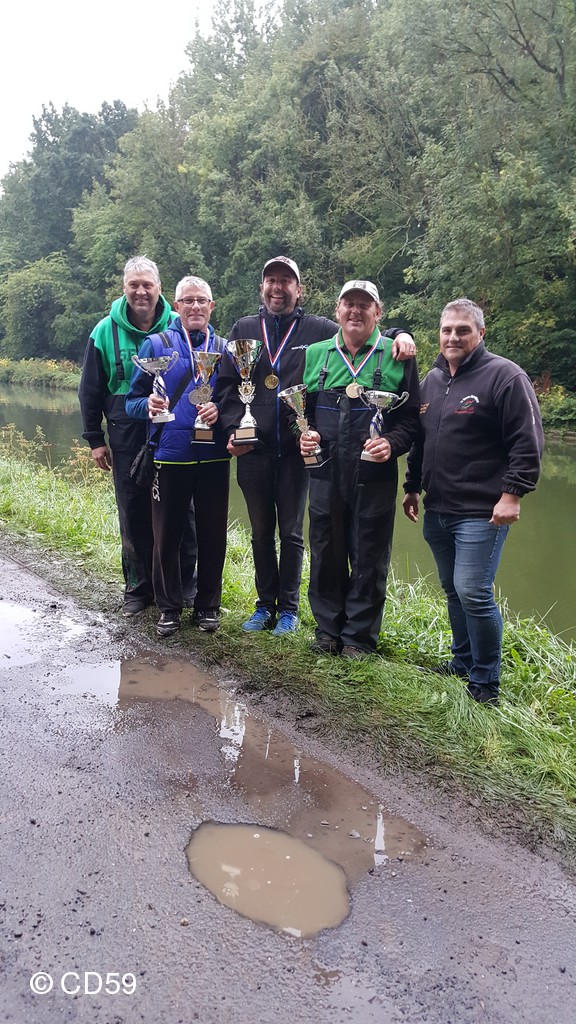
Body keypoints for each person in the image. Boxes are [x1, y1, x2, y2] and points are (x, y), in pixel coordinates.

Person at [215, 257, 417, 637]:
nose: (278, 287)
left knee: (293, 533)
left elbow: (360, 330)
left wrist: (400, 333)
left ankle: (289, 610)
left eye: (286, 281)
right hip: (253, 450)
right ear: (262, 287)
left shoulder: (318, 330)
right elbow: (226, 386)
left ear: (299, 289)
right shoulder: (243, 329)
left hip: (300, 455)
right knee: (261, 532)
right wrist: (231, 429)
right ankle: (265, 604)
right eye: (271, 280)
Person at [402, 298, 544, 706]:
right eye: (447, 330)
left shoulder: (505, 376)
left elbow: (528, 441)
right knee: (453, 590)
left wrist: (513, 494)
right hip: (437, 509)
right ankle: (462, 662)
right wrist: (412, 486)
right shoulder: (431, 381)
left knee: (473, 591)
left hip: (483, 512)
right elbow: (421, 441)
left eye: (463, 330)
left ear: (480, 333)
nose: (453, 337)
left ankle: (486, 682)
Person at [300, 280, 421, 659]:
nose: (355, 310)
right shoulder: (316, 354)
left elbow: (411, 421)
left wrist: (392, 443)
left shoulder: (398, 355)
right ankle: (328, 630)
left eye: (364, 304)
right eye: (348, 303)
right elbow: (298, 413)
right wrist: (302, 435)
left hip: (375, 473)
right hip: (325, 470)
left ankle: (358, 638)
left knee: (370, 554)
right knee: (325, 549)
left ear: (378, 312)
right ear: (337, 310)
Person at [79, 256, 197, 616]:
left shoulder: (180, 323)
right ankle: (138, 589)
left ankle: (184, 588)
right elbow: (90, 389)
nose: (141, 291)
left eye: (147, 284)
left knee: (182, 512)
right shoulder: (104, 331)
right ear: (124, 288)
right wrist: (94, 439)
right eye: (134, 284)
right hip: (125, 432)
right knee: (132, 513)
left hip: (174, 431)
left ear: (159, 288)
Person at [126, 275, 230, 638]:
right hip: (170, 456)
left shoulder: (226, 348)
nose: (195, 306)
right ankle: (169, 607)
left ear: (212, 306)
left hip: (214, 456)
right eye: (188, 300)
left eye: (202, 300)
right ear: (177, 306)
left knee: (213, 536)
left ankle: (208, 606)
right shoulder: (157, 344)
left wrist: (221, 412)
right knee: (167, 536)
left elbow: (235, 400)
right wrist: (148, 405)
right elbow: (131, 401)